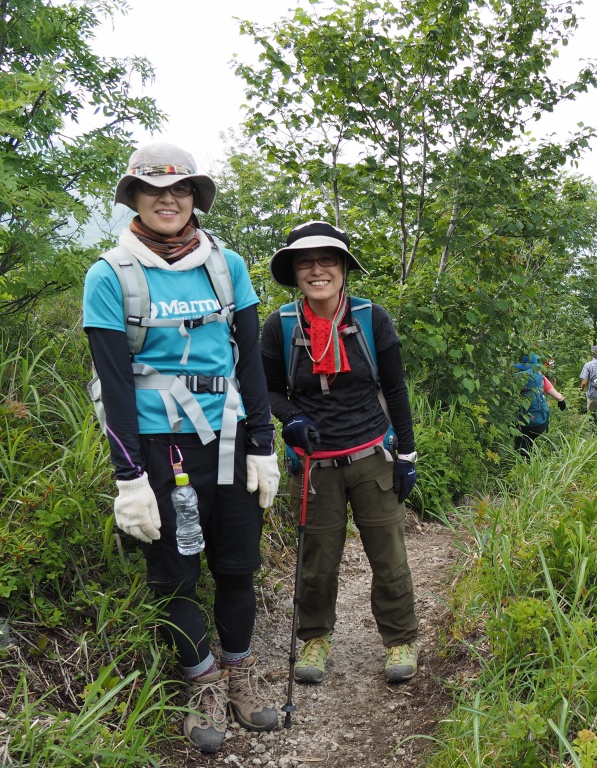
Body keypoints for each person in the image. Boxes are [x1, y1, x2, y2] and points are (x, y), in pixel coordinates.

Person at [82, 142, 281, 753]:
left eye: (181, 190)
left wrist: (262, 441)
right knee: (173, 576)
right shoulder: (110, 275)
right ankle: (200, 684)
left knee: (237, 566)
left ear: (195, 197)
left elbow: (250, 363)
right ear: (134, 199)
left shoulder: (228, 265)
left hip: (227, 432)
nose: (169, 200)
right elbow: (115, 385)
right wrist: (128, 477)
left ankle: (240, 676)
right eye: (155, 190)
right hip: (157, 442)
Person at [260, 221, 420, 686]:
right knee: (316, 561)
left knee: (388, 558)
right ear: (294, 272)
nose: (316, 270)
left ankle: (399, 639)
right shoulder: (281, 325)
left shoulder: (372, 318)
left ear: (344, 268)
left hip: (372, 457)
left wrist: (407, 455)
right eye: (305, 262)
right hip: (313, 466)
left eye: (327, 260)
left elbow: (394, 388)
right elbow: (267, 391)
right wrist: (289, 418)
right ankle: (314, 637)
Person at [513, 353, 567, 457]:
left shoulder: (514, 379)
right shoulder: (541, 377)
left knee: (521, 446)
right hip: (540, 423)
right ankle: (532, 463)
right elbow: (559, 397)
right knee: (529, 442)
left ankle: (525, 467)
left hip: (522, 423)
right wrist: (561, 402)